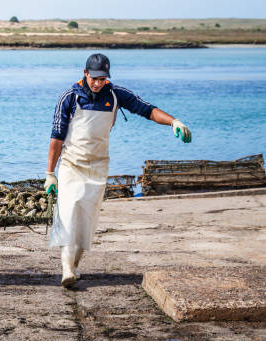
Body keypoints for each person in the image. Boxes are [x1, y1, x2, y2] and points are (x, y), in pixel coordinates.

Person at [44, 53, 192, 287]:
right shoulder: (69, 97)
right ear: (85, 74)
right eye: (94, 78)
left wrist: (174, 121)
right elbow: (56, 138)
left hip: (98, 165)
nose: (98, 82)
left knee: (87, 220)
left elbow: (147, 110)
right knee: (69, 212)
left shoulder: (116, 95)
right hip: (71, 164)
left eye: (102, 78)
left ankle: (75, 265)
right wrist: (50, 173)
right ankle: (66, 269)